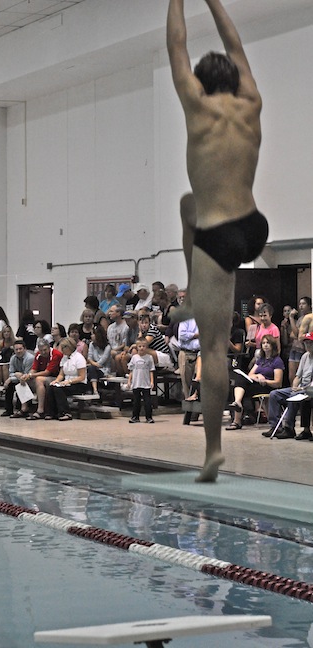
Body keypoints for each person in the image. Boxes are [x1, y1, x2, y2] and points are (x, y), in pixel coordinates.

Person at [167, 0, 268, 480]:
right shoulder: (251, 103)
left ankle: (212, 452)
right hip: (253, 225)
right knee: (187, 204)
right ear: (235, 79)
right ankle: (189, 296)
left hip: (218, 237)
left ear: (203, 84)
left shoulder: (198, 105)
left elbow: (177, 45)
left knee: (213, 351)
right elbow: (236, 44)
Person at [226, 335, 284, 430]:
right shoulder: (261, 360)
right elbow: (250, 375)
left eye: (267, 343)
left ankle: (237, 419)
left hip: (267, 386)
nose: (265, 345)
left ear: (272, 345)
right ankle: (237, 404)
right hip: (257, 384)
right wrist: (257, 376)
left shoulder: (277, 361)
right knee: (239, 384)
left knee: (240, 385)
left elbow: (278, 383)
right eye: (263, 343)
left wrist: (265, 380)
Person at [263, 333, 313, 440]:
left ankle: (289, 428)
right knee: (274, 394)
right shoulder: (305, 356)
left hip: (310, 389)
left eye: (310, 343)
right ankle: (275, 427)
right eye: (306, 343)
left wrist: (301, 389)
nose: (308, 345)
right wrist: (294, 386)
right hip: (301, 388)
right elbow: (298, 376)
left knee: (294, 396)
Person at [45, 337, 88, 421]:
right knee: (51, 387)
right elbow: (61, 374)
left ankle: (65, 412)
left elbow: (81, 377)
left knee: (59, 390)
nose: (61, 350)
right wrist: (56, 380)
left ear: (68, 347)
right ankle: (51, 412)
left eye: (63, 348)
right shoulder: (64, 358)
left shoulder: (79, 358)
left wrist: (69, 381)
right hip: (67, 382)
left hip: (78, 384)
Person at [23, 339, 63, 419]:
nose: (43, 352)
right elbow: (34, 369)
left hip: (56, 377)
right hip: (43, 377)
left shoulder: (56, 354)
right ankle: (24, 408)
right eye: (41, 350)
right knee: (23, 379)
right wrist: (28, 375)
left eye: (45, 350)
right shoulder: (38, 354)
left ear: (49, 347)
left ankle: (40, 410)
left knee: (39, 379)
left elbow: (47, 372)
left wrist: (32, 375)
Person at [0, 340, 34, 418]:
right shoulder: (13, 358)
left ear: (25, 349)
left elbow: (26, 374)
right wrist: (15, 375)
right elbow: (11, 372)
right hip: (17, 378)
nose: (18, 351)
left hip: (29, 379)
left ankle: (23, 409)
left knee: (21, 383)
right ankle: (8, 409)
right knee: (9, 385)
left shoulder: (30, 358)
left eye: (20, 349)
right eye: (16, 349)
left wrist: (13, 378)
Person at [127, 337, 155, 424]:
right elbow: (131, 370)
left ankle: (149, 417)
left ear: (146, 347)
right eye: (140, 346)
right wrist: (129, 381)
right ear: (137, 347)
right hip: (136, 383)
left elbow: (151, 370)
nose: (142, 348)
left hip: (146, 383)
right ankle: (135, 417)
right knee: (136, 401)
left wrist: (152, 381)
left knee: (147, 401)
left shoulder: (149, 358)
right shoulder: (134, 358)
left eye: (144, 346)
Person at [287, 297, 312, 386]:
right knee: (291, 377)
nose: (301, 306)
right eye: (300, 304)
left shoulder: (309, 318)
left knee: (299, 375)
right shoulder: (301, 318)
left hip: (301, 349)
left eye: (303, 304)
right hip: (294, 347)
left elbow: (298, 335)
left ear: (309, 305)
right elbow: (292, 335)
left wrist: (291, 318)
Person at [87, 325, 112, 397]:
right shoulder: (91, 344)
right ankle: (92, 391)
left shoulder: (108, 347)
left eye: (93, 334)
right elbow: (89, 358)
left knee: (91, 369)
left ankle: (94, 391)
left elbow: (101, 362)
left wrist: (93, 364)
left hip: (104, 370)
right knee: (89, 369)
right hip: (94, 368)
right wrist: (94, 364)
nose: (91, 336)